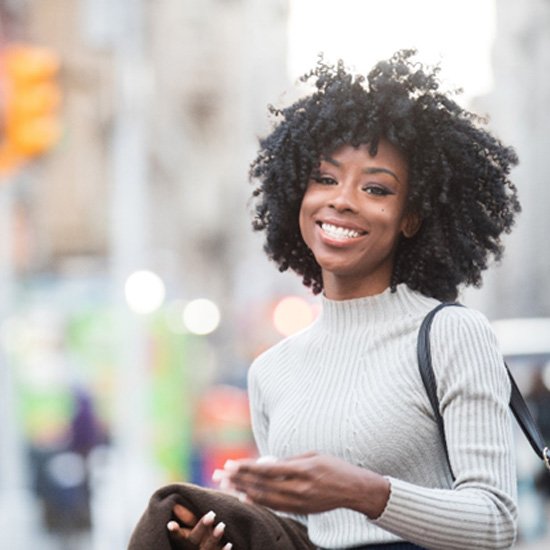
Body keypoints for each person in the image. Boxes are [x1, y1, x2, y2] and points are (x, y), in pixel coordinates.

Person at [162, 49, 521, 549]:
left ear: (410, 218)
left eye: (376, 188)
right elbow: (296, 538)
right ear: (296, 195)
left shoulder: (449, 334)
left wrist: (364, 492)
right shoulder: (272, 371)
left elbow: (496, 524)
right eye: (325, 179)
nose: (343, 199)